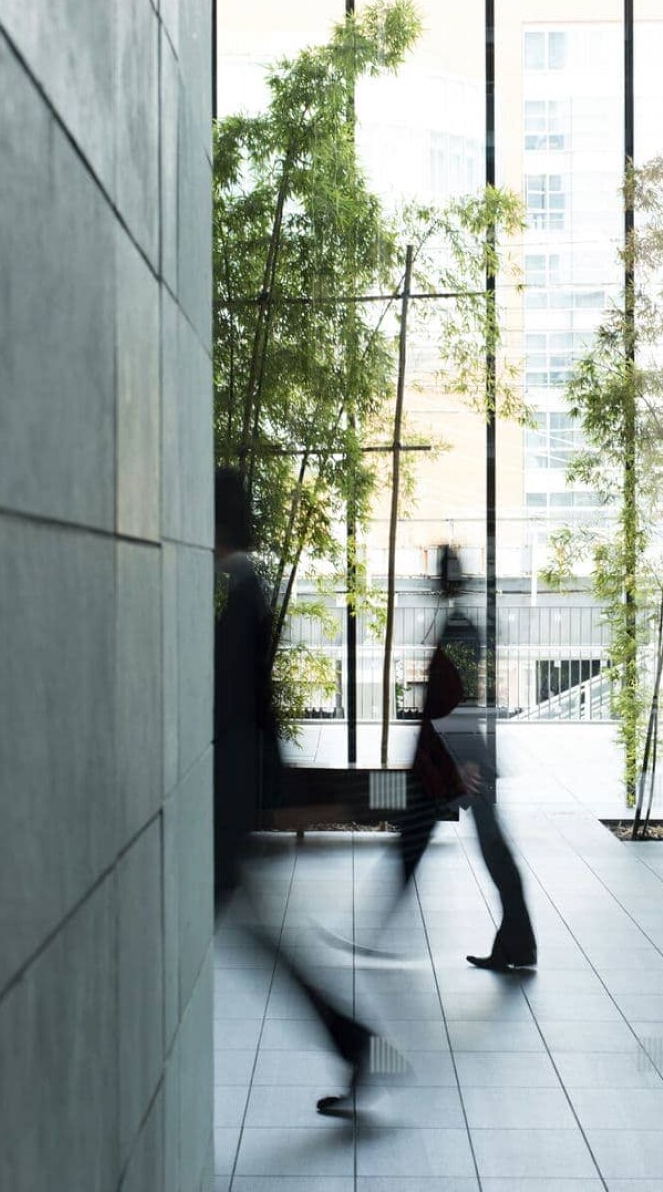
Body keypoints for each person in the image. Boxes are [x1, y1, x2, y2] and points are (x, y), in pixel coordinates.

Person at [213, 468, 373, 1117]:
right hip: (235, 789)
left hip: (230, 792)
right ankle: (353, 1039)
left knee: (248, 935)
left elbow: (242, 701)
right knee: (259, 938)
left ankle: (355, 1039)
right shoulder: (242, 585)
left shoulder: (244, 588)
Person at [428, 546, 538, 971]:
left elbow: (465, 696)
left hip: (469, 758)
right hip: (465, 754)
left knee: (495, 849)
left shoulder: (458, 627)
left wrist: (468, 759)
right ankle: (516, 943)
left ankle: (519, 943)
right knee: (494, 848)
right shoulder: (461, 623)